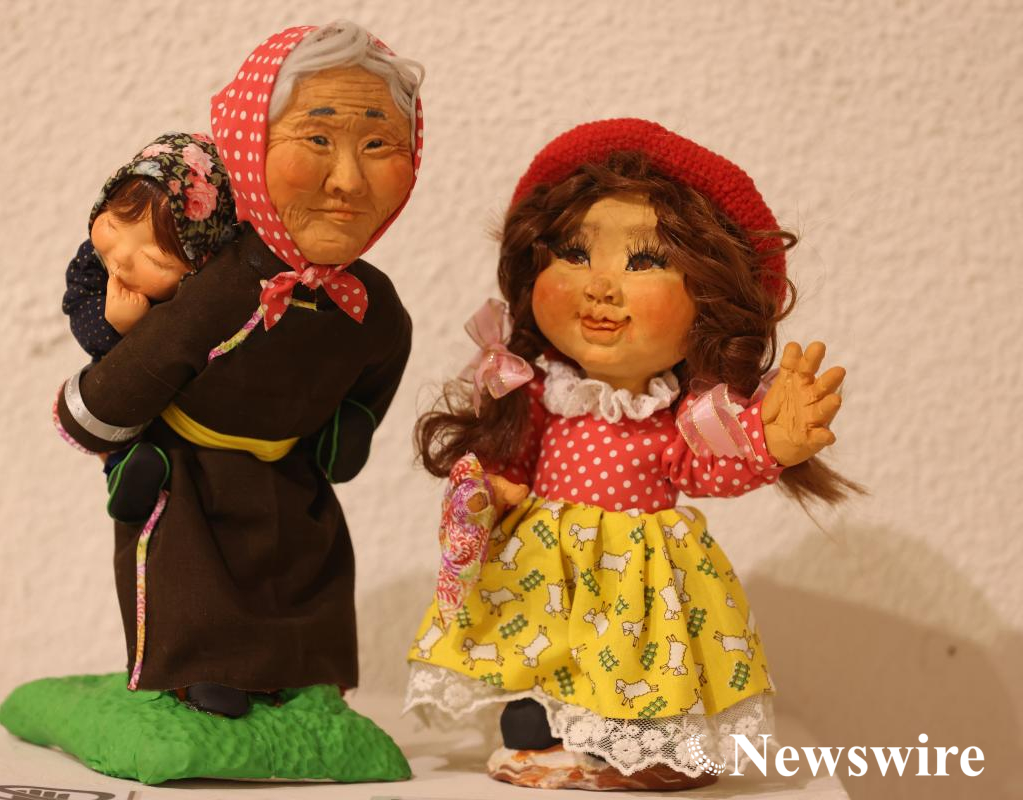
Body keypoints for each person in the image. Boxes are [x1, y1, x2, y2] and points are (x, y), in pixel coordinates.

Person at [405, 118, 860, 790]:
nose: (601, 287)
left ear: (711, 299)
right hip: (543, 580)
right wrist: (490, 491)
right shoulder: (535, 393)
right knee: (529, 712)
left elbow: (705, 466)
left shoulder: (678, 417)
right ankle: (548, 728)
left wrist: (773, 444)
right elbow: (510, 461)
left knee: (631, 676)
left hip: (636, 588)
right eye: (574, 253)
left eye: (644, 262)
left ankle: (631, 746)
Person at [53, 20, 424, 720]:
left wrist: (350, 428)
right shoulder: (221, 284)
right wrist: (98, 416)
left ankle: (300, 672)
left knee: (308, 568)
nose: (348, 180)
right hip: (190, 472)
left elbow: (381, 364)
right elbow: (151, 361)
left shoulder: (372, 304)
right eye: (317, 140)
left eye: (378, 145)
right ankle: (202, 671)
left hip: (292, 474)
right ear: (250, 146)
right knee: (193, 575)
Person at [60, 132, 237, 524]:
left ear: (197, 269)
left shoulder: (200, 299)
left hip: (186, 400)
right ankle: (122, 471)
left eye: (155, 261)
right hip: (123, 378)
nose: (122, 258)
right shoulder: (93, 263)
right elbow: (76, 304)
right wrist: (119, 328)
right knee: (110, 410)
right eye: (114, 224)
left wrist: (148, 328)